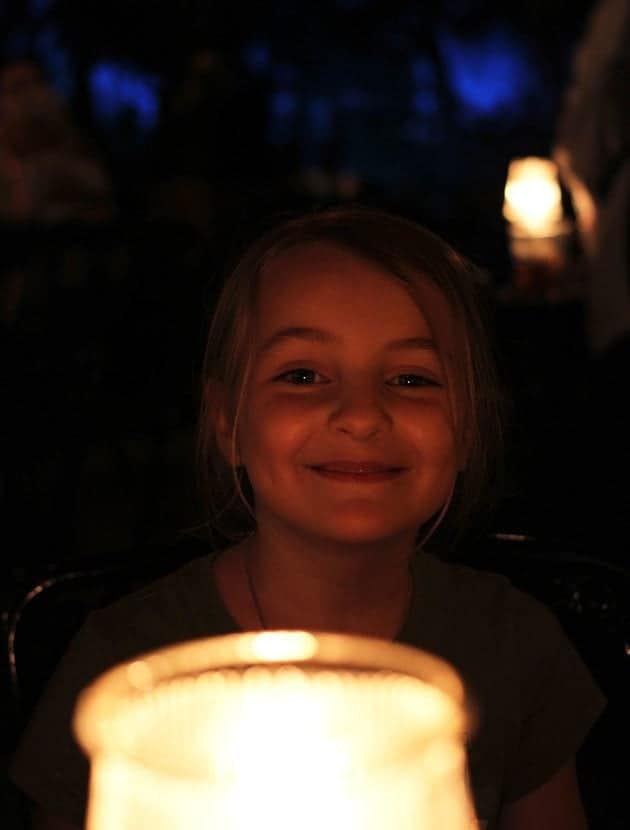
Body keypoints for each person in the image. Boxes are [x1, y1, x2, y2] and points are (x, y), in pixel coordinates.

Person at [10, 206, 604, 829]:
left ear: (469, 428)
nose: (362, 415)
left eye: (411, 378)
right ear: (226, 425)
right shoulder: (126, 672)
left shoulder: (511, 647)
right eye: (302, 375)